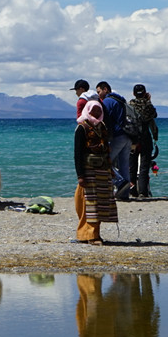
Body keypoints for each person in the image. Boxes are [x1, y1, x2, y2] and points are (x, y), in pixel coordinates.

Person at [74, 100, 118, 244]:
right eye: (94, 110)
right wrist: (80, 175)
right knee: (90, 203)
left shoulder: (102, 127)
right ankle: (91, 236)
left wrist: (110, 169)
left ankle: (91, 234)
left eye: (99, 110)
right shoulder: (82, 128)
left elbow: (106, 150)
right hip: (89, 172)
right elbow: (78, 154)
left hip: (103, 171)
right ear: (88, 110)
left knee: (101, 203)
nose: (97, 113)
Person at [96, 82, 132, 200]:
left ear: (105, 89)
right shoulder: (121, 101)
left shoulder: (107, 102)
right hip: (127, 135)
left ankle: (120, 182)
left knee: (104, 162)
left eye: (99, 92)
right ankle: (124, 194)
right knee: (124, 166)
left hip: (117, 136)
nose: (98, 95)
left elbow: (104, 119)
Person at [126, 84, 159, 199]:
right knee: (144, 166)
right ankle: (143, 192)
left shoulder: (129, 105)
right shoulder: (148, 105)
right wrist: (148, 101)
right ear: (145, 93)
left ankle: (132, 190)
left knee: (132, 166)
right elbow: (154, 116)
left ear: (134, 93)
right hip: (145, 138)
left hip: (133, 138)